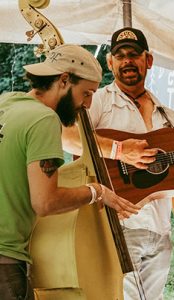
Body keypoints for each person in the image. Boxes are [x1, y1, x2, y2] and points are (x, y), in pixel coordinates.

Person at [61, 27, 174, 300]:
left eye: (134, 55)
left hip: (159, 230)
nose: (127, 61)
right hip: (117, 224)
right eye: (120, 55)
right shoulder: (98, 101)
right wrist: (120, 150)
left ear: (148, 61)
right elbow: (67, 138)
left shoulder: (168, 117)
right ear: (110, 62)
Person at [0, 44, 141, 300]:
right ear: (64, 80)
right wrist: (96, 191)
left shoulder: (6, 103)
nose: (87, 105)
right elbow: (46, 202)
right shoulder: (44, 119)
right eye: (86, 93)